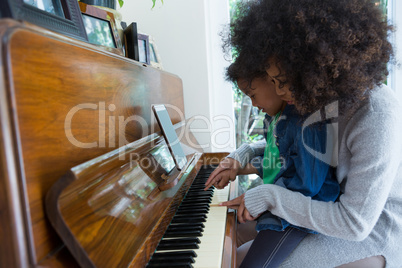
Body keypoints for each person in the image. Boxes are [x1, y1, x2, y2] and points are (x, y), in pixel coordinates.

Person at [209, 0, 402, 267]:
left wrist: (270, 196)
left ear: (315, 66)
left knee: (235, 262)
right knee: (225, 236)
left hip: (371, 230)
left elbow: (354, 223)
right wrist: (244, 159)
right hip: (322, 205)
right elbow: (295, 155)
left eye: (283, 82)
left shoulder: (375, 114)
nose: (278, 93)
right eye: (273, 81)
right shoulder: (312, 97)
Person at [205, 53, 340, 267]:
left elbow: (308, 185)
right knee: (225, 236)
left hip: (298, 215)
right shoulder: (275, 116)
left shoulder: (305, 119)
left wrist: (260, 197)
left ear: (273, 79)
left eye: (252, 94)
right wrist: (238, 166)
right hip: (281, 204)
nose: (253, 103)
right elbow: (276, 160)